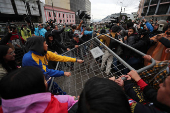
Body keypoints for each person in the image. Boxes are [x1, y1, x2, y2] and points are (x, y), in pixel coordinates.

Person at [0, 67, 78, 113]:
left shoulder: (5, 108)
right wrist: (78, 103)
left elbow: (54, 98)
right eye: (44, 80)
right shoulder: (53, 110)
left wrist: (70, 99)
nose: (47, 81)